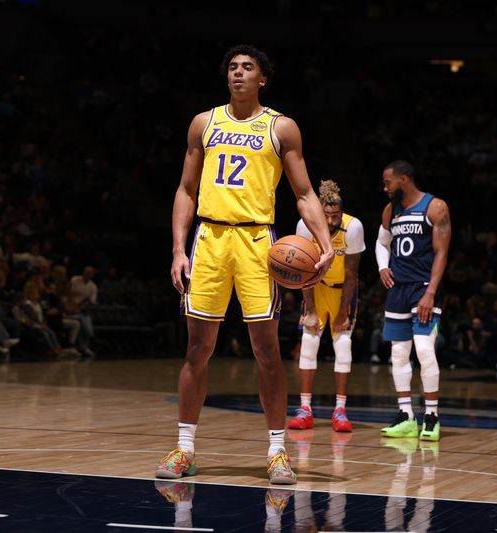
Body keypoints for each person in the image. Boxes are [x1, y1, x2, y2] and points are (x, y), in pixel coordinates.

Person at [157, 44, 334, 485]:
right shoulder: (204, 123)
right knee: (197, 349)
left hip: (258, 241)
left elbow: (305, 193)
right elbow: (185, 190)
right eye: (233, 68)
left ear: (262, 79)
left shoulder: (281, 128)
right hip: (211, 238)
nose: (238, 73)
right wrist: (180, 250)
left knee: (267, 352)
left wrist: (325, 243)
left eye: (247, 68)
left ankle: (277, 452)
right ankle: (184, 448)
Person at [376, 160, 451, 442]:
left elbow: (441, 253)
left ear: (404, 180)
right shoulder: (390, 211)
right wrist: (383, 267)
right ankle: (406, 416)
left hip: (424, 288)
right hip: (398, 290)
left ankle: (431, 415)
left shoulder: (435, 207)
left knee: (424, 350)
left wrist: (431, 292)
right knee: (398, 353)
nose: (385, 188)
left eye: (388, 182)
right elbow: (381, 243)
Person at [287, 180, 364, 433]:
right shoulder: (305, 225)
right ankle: (305, 408)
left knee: (343, 346)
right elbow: (303, 270)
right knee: (309, 344)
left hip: (342, 291)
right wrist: (309, 310)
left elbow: (352, 274)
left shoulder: (353, 227)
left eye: (335, 216)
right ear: (319, 212)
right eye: (326, 216)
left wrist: (343, 312)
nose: (331, 222)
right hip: (315, 287)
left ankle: (340, 411)